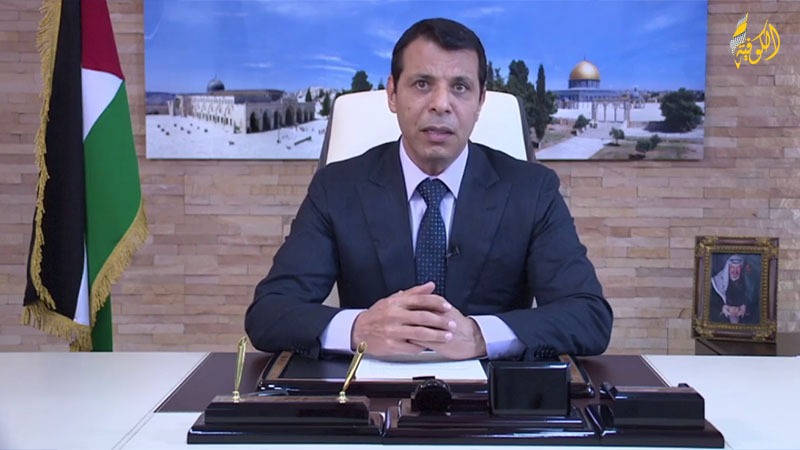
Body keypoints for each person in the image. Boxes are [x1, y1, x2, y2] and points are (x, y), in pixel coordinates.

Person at [245, 18, 613, 361]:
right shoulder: (337, 188)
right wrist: (358, 328)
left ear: (480, 101)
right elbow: (269, 312)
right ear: (392, 93)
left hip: (493, 399)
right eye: (422, 84)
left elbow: (588, 316)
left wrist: (480, 336)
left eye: (460, 87)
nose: (441, 104)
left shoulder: (532, 190)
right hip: (373, 396)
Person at [710, 255, 759, 324]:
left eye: (738, 268)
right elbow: (713, 302)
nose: (735, 271)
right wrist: (722, 307)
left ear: (741, 268)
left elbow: (754, 301)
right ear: (728, 268)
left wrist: (745, 307)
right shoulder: (717, 281)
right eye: (732, 267)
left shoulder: (748, 282)